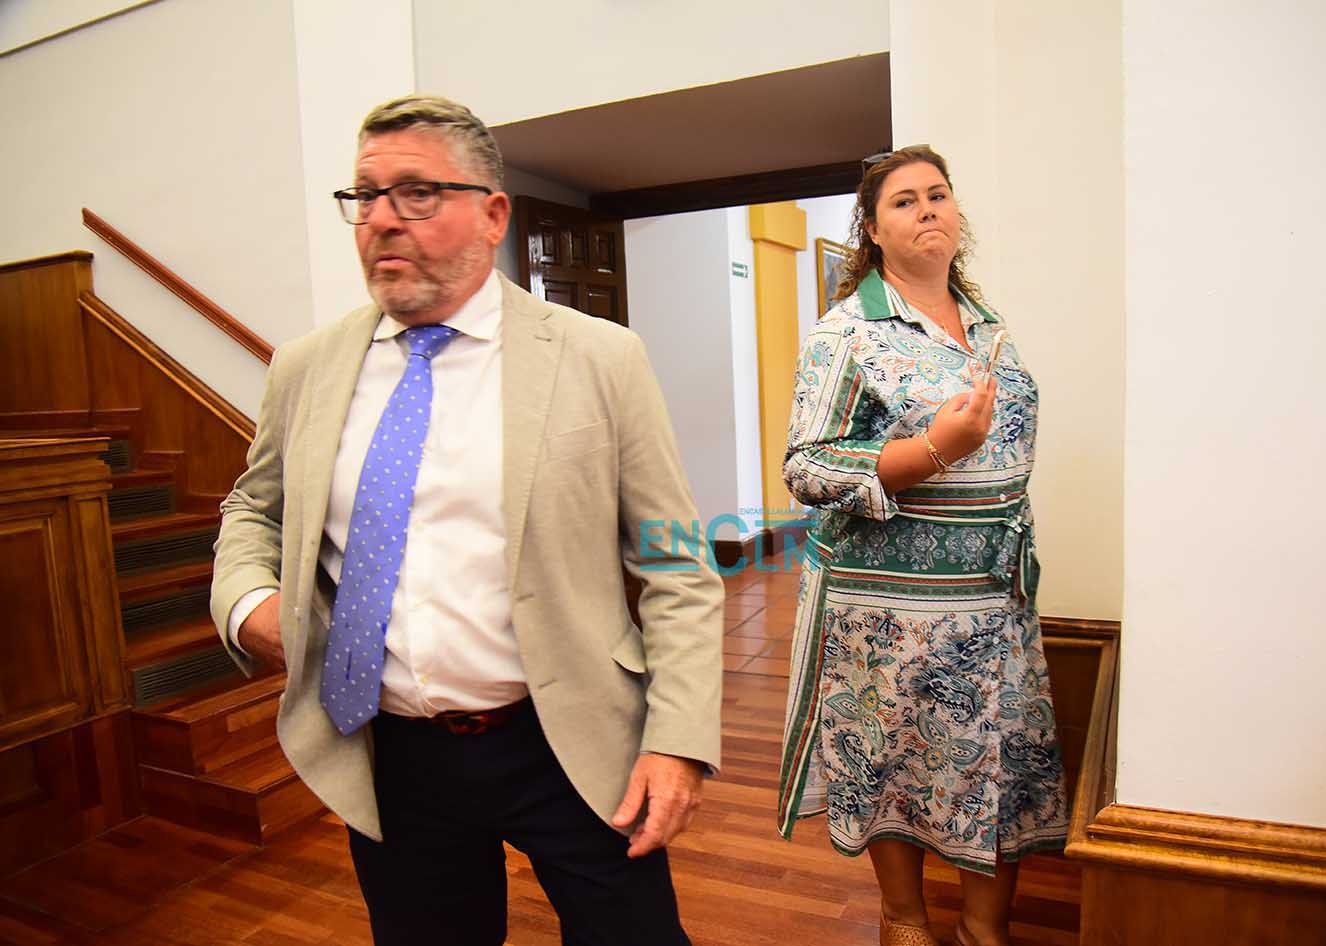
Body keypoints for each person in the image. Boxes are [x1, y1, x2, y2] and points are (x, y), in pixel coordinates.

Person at [210, 95, 723, 946]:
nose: (381, 218)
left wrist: (676, 738)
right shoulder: (305, 368)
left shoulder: (599, 357)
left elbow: (673, 558)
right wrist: (244, 602)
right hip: (391, 755)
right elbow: (252, 508)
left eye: (416, 193)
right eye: (365, 195)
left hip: (571, 739)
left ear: (492, 215)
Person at [776, 146, 1068, 946]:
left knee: (999, 764)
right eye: (903, 201)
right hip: (888, 610)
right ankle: (904, 921)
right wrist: (936, 450)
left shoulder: (985, 322)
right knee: (891, 760)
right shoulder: (846, 332)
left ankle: (983, 930)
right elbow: (805, 468)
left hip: (994, 596)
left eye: (937, 194)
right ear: (871, 231)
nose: (927, 208)